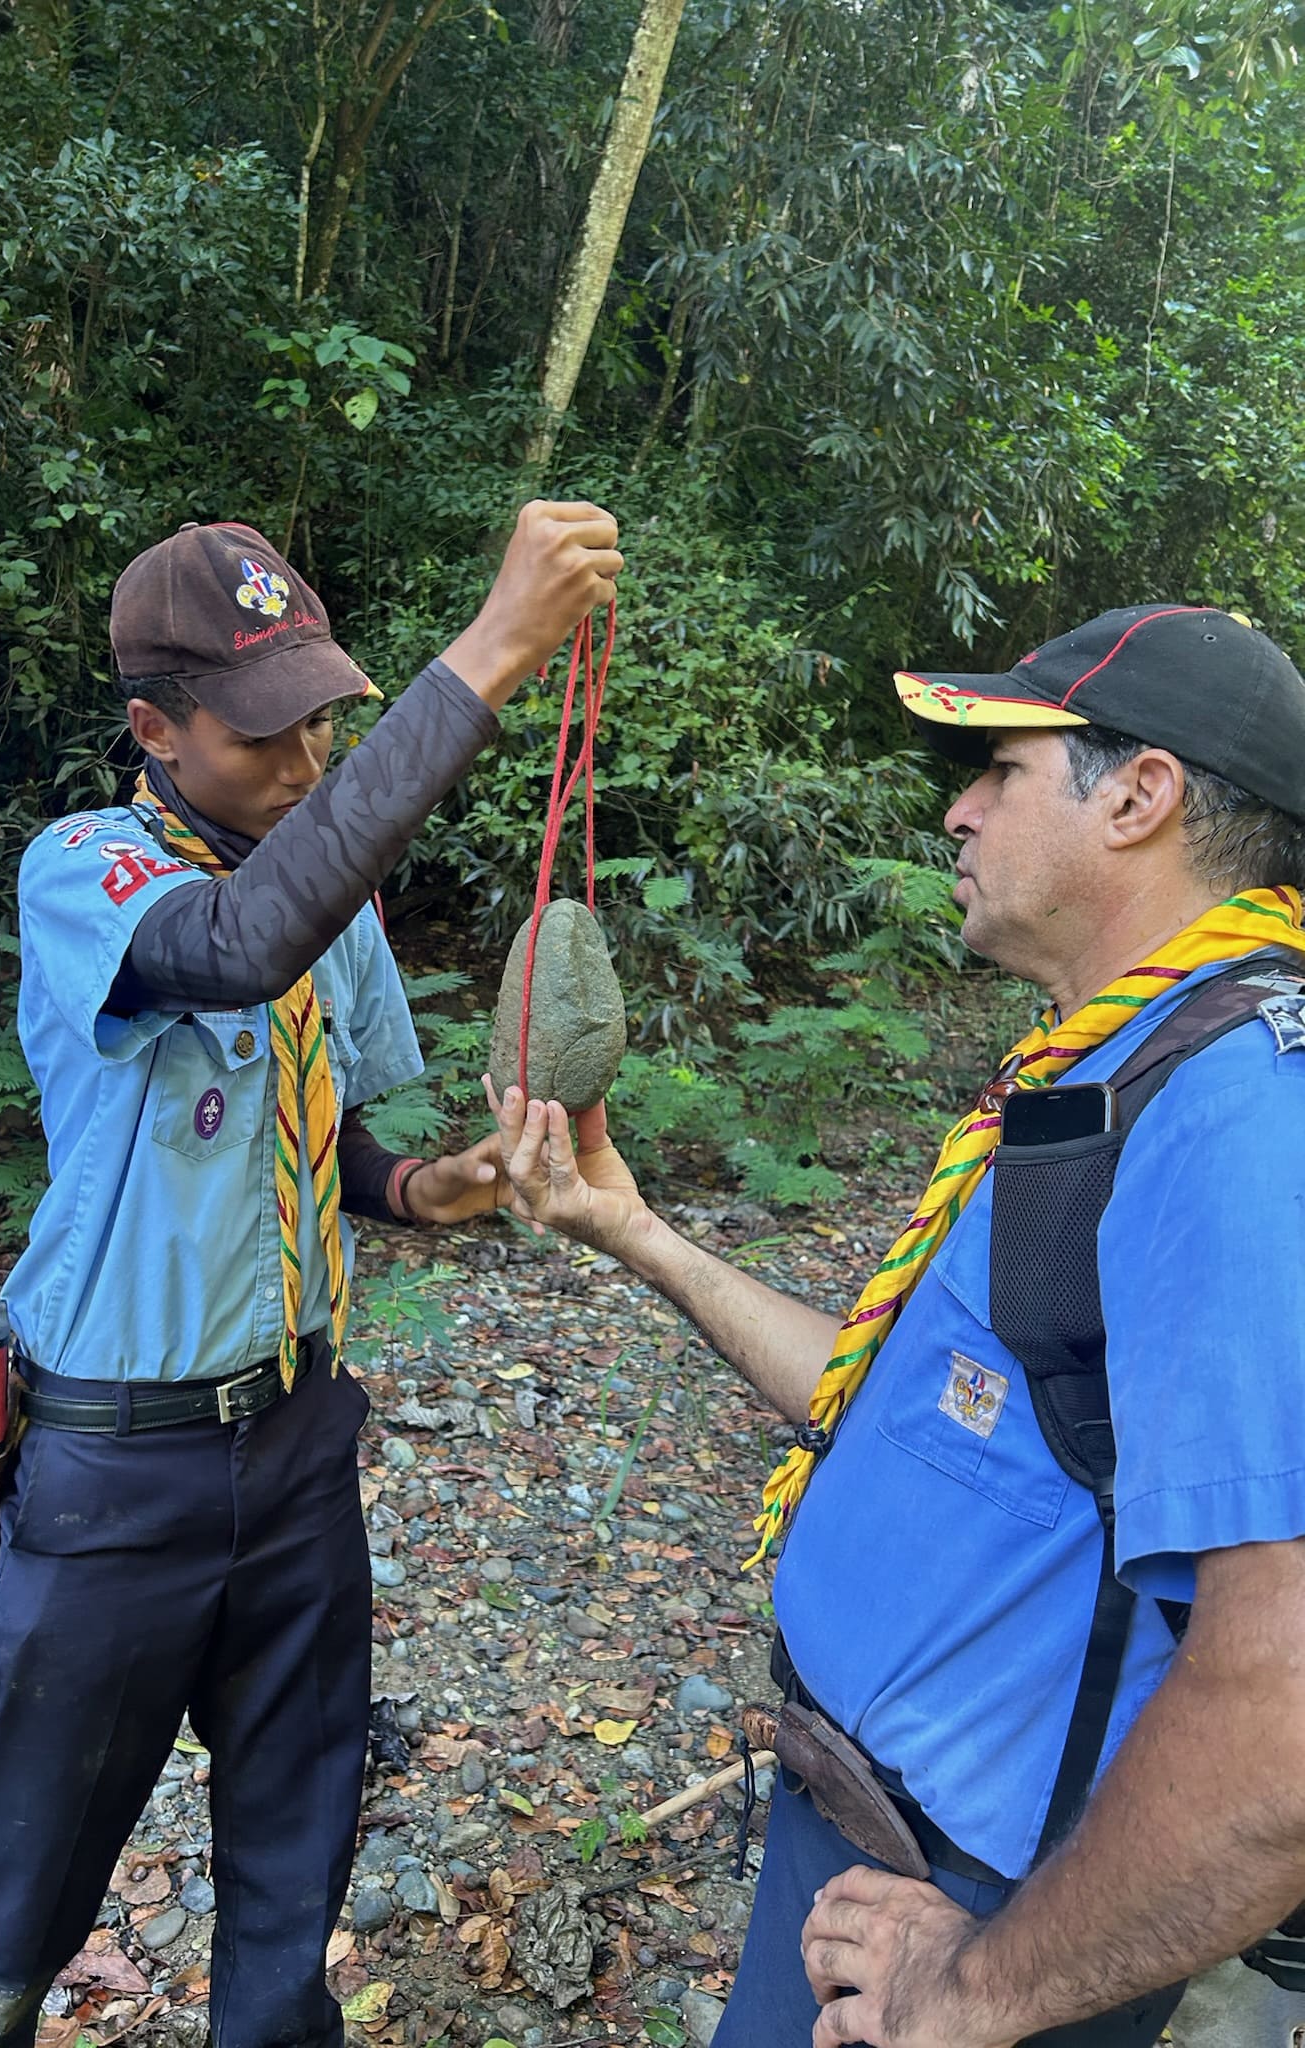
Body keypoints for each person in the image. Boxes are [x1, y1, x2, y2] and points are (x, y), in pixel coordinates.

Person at [487, 604, 1305, 2048]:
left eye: (999, 765)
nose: (959, 805)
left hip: (1009, 1916)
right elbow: (920, 1421)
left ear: (1139, 793)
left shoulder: (1242, 1110)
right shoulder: (1115, 1066)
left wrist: (980, 1990)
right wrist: (630, 1224)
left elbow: (1283, 1716)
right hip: (882, 1851)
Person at [0, 501, 623, 2048]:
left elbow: (332, 1136)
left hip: (299, 1446)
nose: (302, 772)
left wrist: (432, 1188)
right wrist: (495, 652)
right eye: (263, 739)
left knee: (294, 1873)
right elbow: (232, 949)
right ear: (155, 727)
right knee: (11, 1898)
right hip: (115, 1471)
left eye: (321, 732)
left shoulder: (327, 902)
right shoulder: (86, 870)